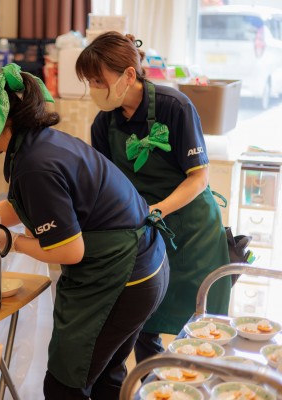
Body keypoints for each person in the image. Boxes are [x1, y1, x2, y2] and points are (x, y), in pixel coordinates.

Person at [0, 64, 169, 399]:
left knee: (65, 385)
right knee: (105, 376)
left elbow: (70, 251)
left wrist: (13, 241)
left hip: (122, 276)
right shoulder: (37, 143)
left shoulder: (35, 163)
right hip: (145, 264)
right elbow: (18, 206)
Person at [75, 31, 231, 363]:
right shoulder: (104, 123)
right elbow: (105, 185)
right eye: (90, 82)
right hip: (144, 229)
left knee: (201, 325)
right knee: (144, 323)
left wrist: (157, 209)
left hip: (192, 229)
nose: (95, 89)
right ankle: (152, 381)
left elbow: (199, 177)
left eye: (99, 80)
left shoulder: (175, 106)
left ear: (128, 75)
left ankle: (196, 381)